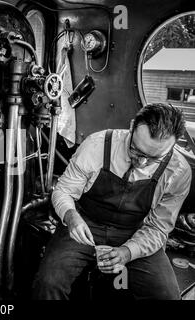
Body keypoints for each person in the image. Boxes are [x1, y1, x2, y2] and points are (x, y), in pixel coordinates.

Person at [32, 103, 192, 300]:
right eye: (136, 151)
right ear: (132, 126)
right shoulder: (97, 144)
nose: (141, 162)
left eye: (154, 158)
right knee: (49, 282)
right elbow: (63, 191)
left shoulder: (178, 172)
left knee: (166, 295)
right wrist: (70, 215)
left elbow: (158, 228)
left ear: (173, 146)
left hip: (135, 232)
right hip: (84, 224)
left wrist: (127, 252)